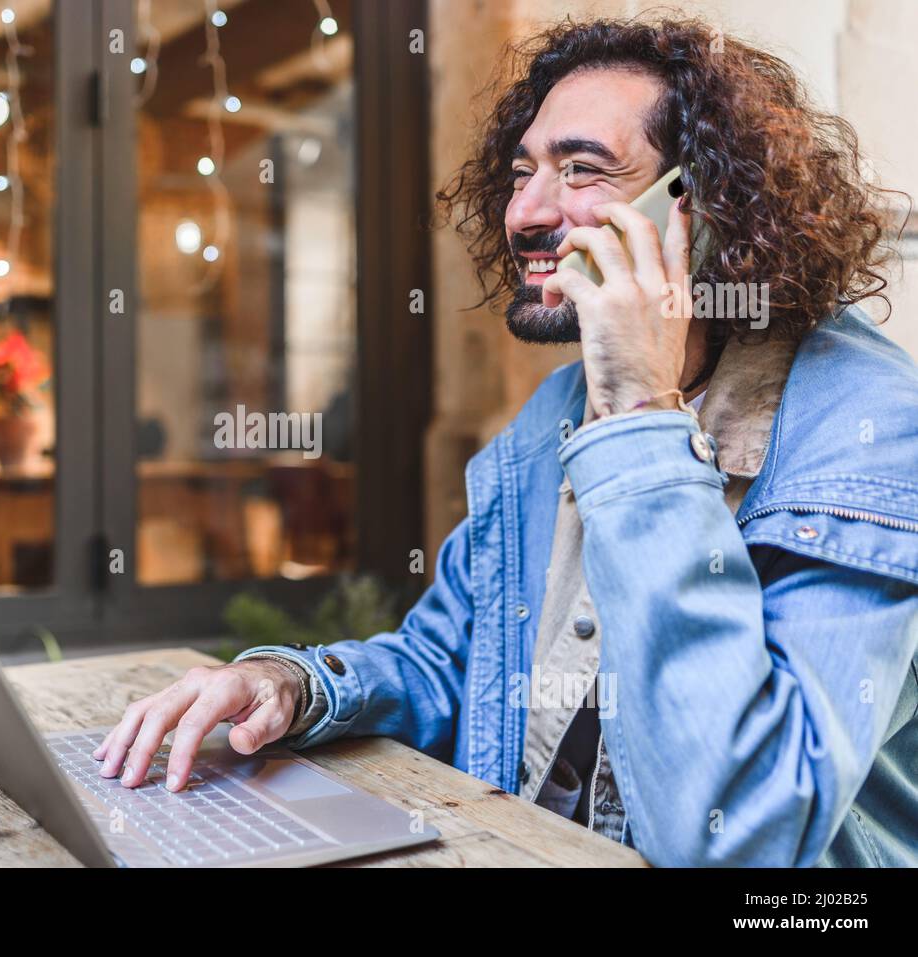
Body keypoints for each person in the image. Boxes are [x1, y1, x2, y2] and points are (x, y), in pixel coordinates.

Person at [94, 17, 918, 866]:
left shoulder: (868, 426)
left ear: (702, 211)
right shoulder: (553, 410)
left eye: (582, 169)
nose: (524, 210)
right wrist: (288, 685)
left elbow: (742, 834)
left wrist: (639, 415)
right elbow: (444, 658)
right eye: (523, 173)